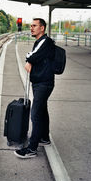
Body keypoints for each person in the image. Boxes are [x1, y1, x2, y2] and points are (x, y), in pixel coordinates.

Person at [14, 18, 55, 159]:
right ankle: (44, 138)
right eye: (31, 26)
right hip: (41, 82)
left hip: (44, 83)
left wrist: (28, 59)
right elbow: (36, 58)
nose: (31, 28)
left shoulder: (45, 41)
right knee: (42, 111)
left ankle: (32, 149)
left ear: (42, 28)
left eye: (34, 26)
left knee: (36, 114)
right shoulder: (40, 41)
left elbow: (33, 56)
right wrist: (31, 61)